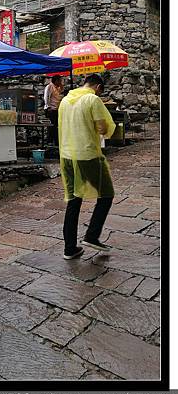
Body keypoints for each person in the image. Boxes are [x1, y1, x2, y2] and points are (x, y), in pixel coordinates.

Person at [58, 73, 116, 260]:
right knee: (106, 194)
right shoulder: (92, 99)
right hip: (87, 155)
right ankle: (92, 235)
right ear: (98, 87)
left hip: (67, 156)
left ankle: (70, 248)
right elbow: (103, 128)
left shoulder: (66, 100)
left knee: (74, 200)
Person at [44, 75, 64, 146]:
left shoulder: (56, 88)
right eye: (59, 81)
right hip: (51, 109)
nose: (61, 82)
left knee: (56, 126)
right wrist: (48, 106)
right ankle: (50, 141)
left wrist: (61, 86)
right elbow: (46, 96)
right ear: (56, 80)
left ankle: (55, 141)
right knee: (52, 126)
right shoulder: (49, 86)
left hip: (56, 109)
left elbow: (60, 92)